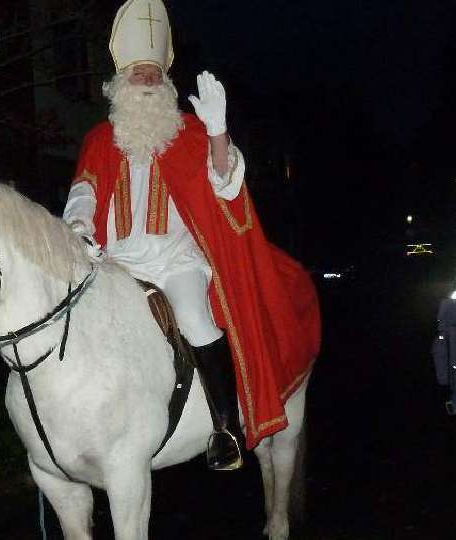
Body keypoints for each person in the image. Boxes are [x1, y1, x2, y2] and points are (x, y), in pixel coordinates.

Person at [63, 0, 320, 471]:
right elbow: (84, 190)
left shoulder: (190, 134)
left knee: (194, 317)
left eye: (153, 73)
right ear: (119, 81)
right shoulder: (100, 138)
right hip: (115, 262)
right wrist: (78, 228)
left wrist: (219, 133)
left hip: (176, 261)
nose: (146, 79)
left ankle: (222, 429)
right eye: (137, 72)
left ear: (165, 82)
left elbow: (226, 185)